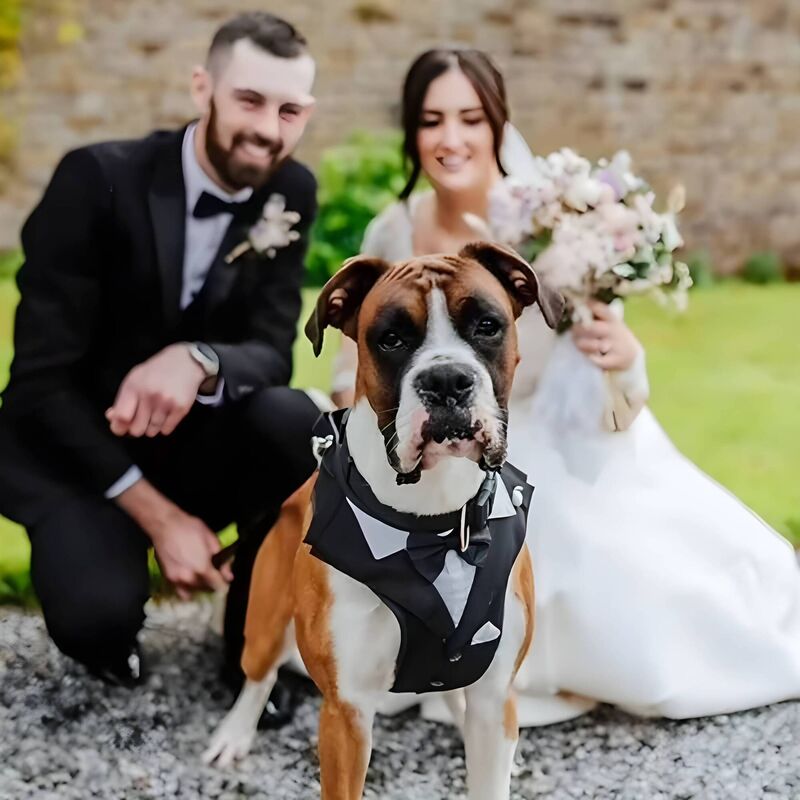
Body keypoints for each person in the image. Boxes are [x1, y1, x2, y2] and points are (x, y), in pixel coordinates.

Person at [331, 46, 800, 725]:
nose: (452, 138)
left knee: (582, 557)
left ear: (497, 124)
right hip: (428, 442)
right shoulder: (392, 230)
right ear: (412, 132)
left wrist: (624, 353)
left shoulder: (546, 226)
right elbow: (356, 376)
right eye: (432, 121)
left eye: (471, 118)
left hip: (552, 433)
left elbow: (614, 399)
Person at [0, 11, 321, 719]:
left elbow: (270, 352)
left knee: (299, 421)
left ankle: (251, 646)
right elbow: (37, 388)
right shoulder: (95, 180)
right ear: (202, 87)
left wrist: (197, 359)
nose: (269, 128)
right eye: (250, 100)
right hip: (81, 447)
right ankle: (116, 607)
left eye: (289, 109)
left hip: (196, 442)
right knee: (94, 619)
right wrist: (162, 520)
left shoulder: (290, 191)